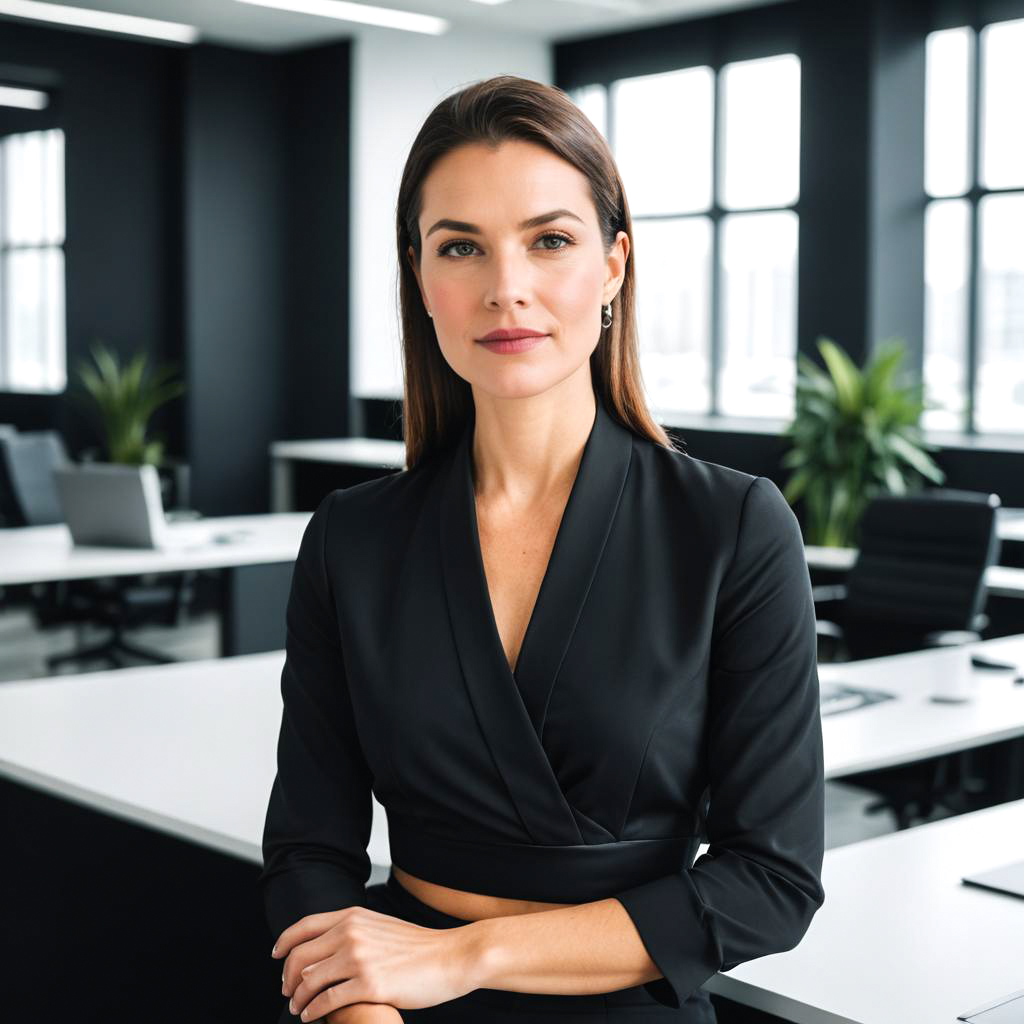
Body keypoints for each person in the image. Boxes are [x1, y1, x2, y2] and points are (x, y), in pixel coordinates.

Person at [260, 74, 826, 1024]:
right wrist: (360, 1009)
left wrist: (467, 956)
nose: (505, 288)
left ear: (613, 267)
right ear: (420, 278)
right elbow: (309, 848)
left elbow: (770, 881)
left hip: (616, 1001)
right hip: (388, 1008)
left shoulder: (733, 527)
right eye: (461, 248)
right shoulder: (350, 538)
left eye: (550, 240)